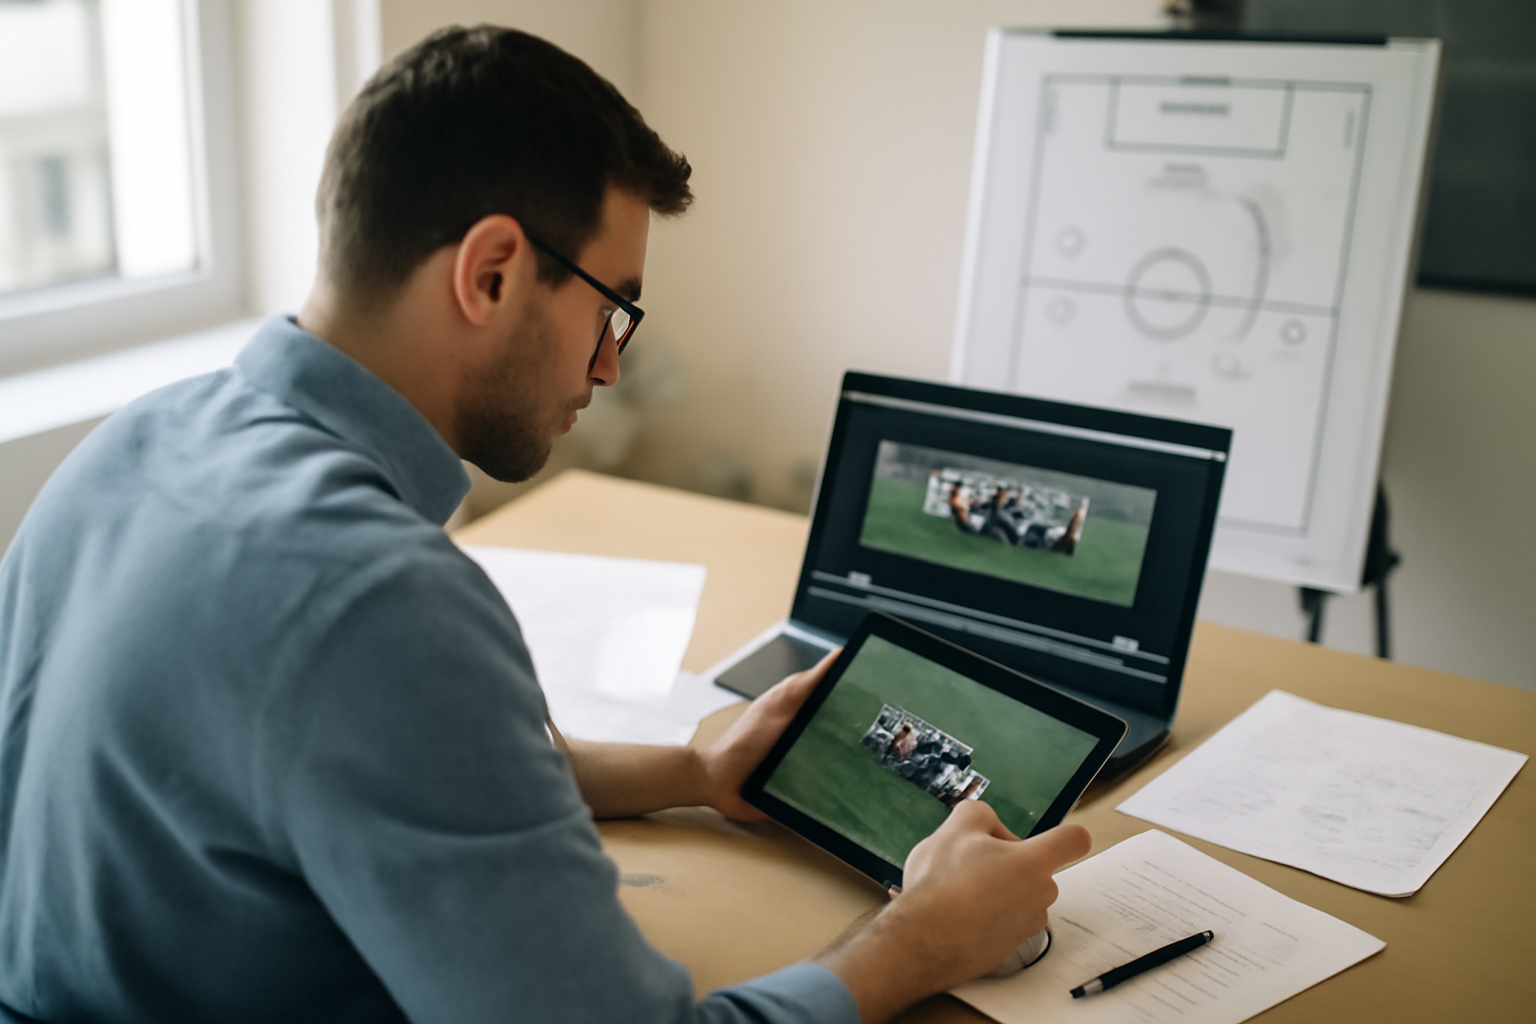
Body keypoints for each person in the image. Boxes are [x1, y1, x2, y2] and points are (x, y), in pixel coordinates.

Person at [0, 25, 1089, 1024]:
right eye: (614, 306)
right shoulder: (376, 600)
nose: (612, 364)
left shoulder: (131, 444)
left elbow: (380, 765)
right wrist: (921, 938)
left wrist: (692, 772)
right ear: (491, 272)